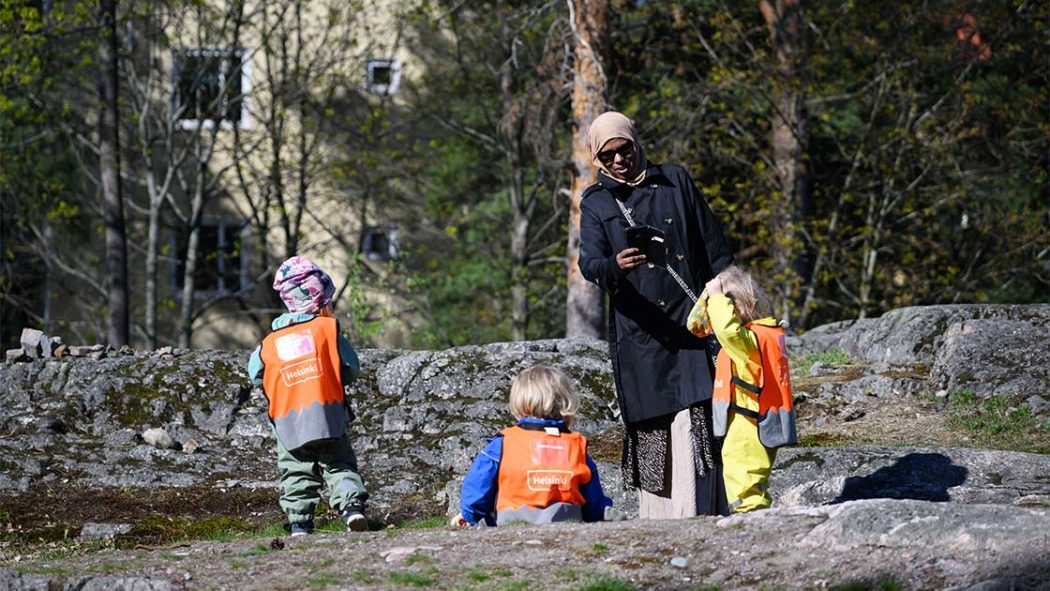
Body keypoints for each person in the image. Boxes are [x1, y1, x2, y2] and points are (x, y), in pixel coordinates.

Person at [578, 111, 734, 518]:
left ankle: (706, 512)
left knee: (698, 417)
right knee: (656, 425)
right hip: (643, 332)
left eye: (624, 149)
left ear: (635, 142)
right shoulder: (596, 203)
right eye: (607, 155)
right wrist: (616, 264)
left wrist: (729, 296)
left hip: (691, 322)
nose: (618, 161)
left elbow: (713, 245)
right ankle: (661, 522)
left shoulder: (675, 180)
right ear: (597, 158)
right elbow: (589, 264)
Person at [247, 256, 369, 536]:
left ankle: (299, 523)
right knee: (338, 464)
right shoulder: (327, 331)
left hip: (288, 420)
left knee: (296, 472)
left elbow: (255, 374)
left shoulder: (270, 342)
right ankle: (352, 511)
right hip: (328, 414)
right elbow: (351, 369)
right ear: (321, 297)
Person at [451, 365, 612, 526]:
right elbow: (593, 499)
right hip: (566, 523)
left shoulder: (504, 443)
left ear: (519, 402)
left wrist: (468, 514)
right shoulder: (576, 446)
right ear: (566, 402)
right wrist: (601, 512)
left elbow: (480, 482)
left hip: (510, 523)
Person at [698, 265, 797, 512]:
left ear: (746, 304)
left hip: (749, 423)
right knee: (746, 472)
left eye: (730, 301)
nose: (723, 307)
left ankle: (751, 515)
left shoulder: (747, 341)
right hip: (758, 420)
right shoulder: (764, 333)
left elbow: (727, 332)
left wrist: (718, 297)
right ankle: (750, 511)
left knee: (745, 473)